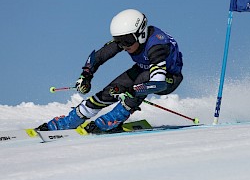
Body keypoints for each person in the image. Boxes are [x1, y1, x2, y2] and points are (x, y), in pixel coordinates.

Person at [37, 9, 183, 133]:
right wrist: (86, 75)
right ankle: (71, 121)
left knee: (140, 82)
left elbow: (159, 83)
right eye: (119, 40)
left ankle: (113, 119)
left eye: (126, 41)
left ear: (142, 33)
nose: (123, 45)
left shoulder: (156, 45)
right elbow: (99, 55)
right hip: (142, 69)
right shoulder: (130, 39)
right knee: (111, 90)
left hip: (169, 78)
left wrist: (133, 91)